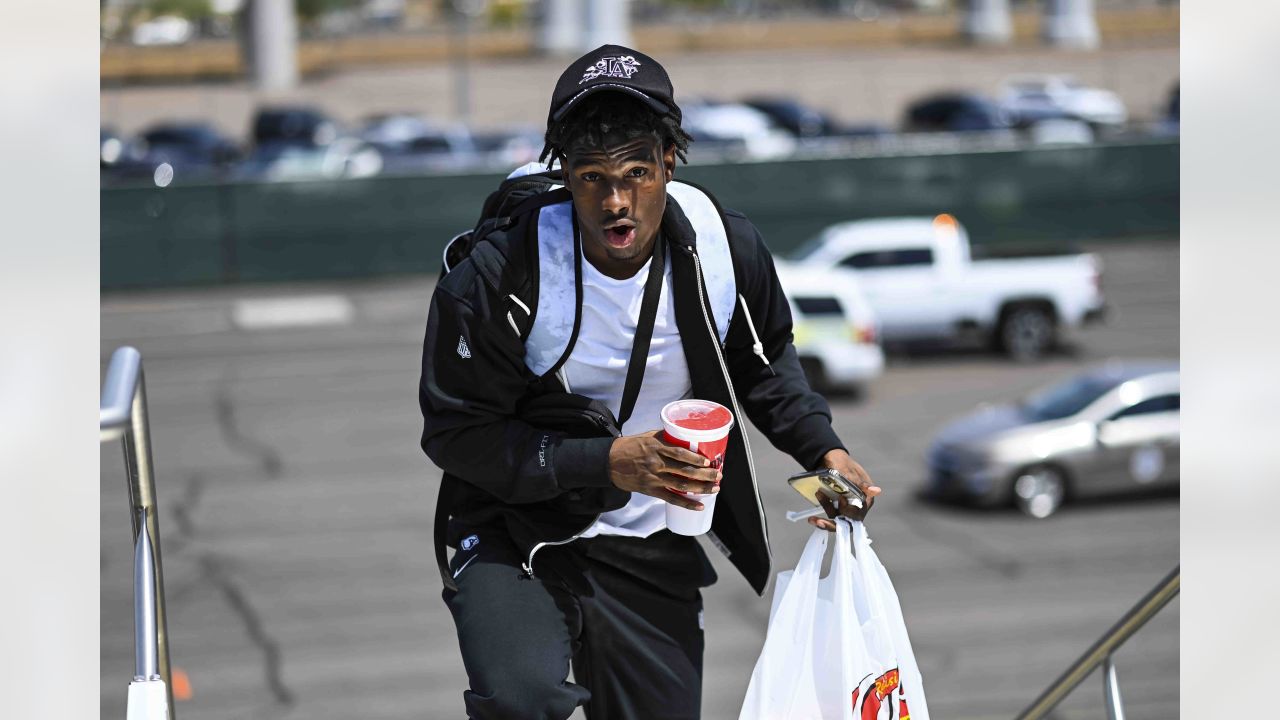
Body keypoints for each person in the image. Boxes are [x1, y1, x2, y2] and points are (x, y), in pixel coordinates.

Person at [418, 44, 881, 720]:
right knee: (524, 698)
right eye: (591, 178)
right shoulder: (499, 274)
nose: (615, 202)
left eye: (636, 172)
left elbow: (765, 362)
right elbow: (457, 435)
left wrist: (825, 452)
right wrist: (606, 461)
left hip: (650, 540)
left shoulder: (723, 247)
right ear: (563, 175)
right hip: (514, 529)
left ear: (670, 161)